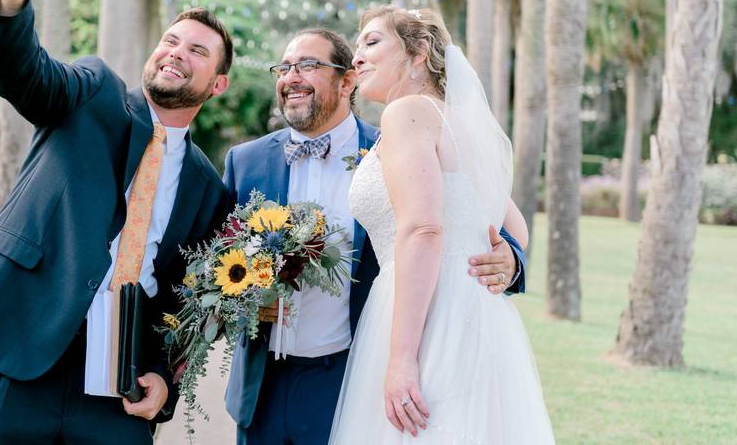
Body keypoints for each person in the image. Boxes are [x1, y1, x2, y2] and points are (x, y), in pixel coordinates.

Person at [0, 0, 233, 444]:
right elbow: (23, 72)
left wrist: (161, 376)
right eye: (172, 41)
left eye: (198, 52)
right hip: (10, 354)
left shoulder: (209, 189)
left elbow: (187, 302)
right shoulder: (93, 92)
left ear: (218, 84)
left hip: (114, 391)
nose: (177, 52)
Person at [223, 27, 528, 445]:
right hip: (262, 389)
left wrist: (510, 260)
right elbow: (215, 260)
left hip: (351, 374)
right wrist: (242, 301)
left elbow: (480, 210)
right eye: (285, 67)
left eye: (308, 65)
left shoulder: (395, 141)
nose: (291, 76)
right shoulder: (245, 161)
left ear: (347, 81)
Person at [328, 6, 555, 444]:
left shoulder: (407, 112)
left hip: (427, 316)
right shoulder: (462, 125)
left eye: (372, 42)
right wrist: (508, 255)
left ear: (418, 53)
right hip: (475, 312)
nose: (357, 57)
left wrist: (401, 357)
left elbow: (423, 229)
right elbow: (517, 226)